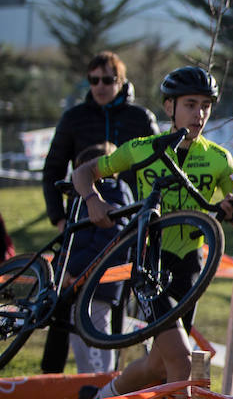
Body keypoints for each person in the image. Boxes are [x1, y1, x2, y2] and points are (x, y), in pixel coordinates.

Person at [72, 66, 233, 399]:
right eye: (190, 105)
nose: (199, 114)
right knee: (181, 360)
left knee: (159, 363)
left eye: (206, 106)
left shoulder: (220, 159)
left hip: (191, 269)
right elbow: (83, 172)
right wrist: (93, 200)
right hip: (149, 264)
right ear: (170, 107)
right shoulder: (143, 148)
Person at [41, 51, 157, 374]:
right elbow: (52, 169)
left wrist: (149, 216)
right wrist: (59, 217)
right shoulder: (74, 118)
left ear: (121, 82)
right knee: (62, 301)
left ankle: (110, 377)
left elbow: (154, 168)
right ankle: (49, 376)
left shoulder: (140, 118)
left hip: (129, 216)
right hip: (80, 218)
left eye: (108, 80)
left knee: (115, 298)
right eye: (94, 80)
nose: (101, 86)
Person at [66, 143, 135, 399]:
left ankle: (98, 398)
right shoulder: (87, 197)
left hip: (99, 282)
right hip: (84, 280)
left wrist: (78, 271)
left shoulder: (112, 191)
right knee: (81, 337)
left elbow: (109, 238)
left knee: (95, 336)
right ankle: (89, 395)